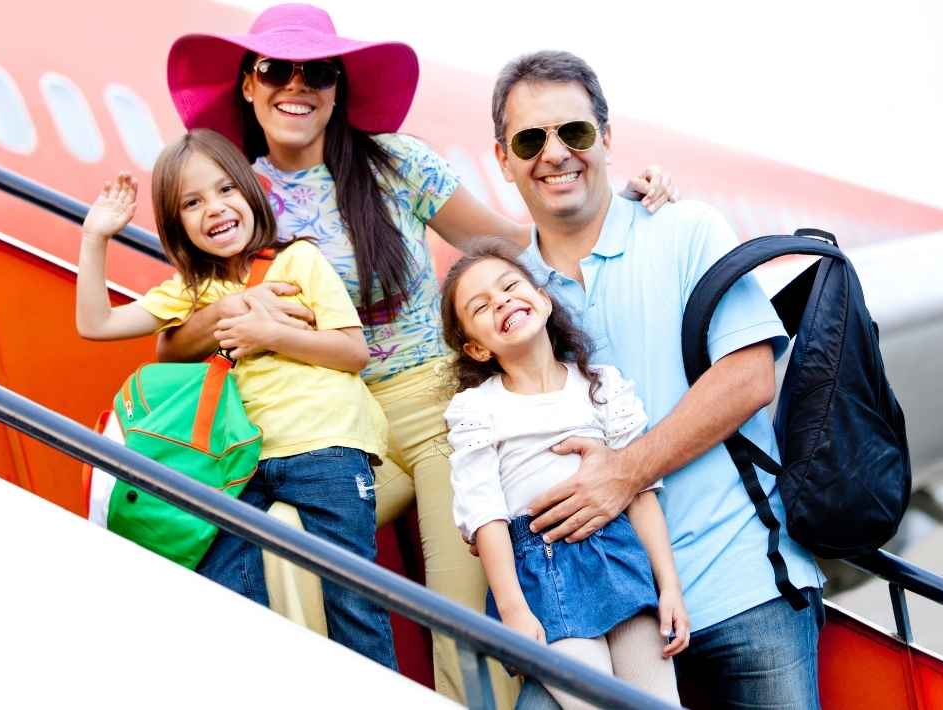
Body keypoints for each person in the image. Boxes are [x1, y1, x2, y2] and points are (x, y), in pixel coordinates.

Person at [161, 5, 676, 704]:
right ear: (247, 86)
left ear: (338, 87)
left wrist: (622, 207)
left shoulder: (396, 164)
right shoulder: (235, 195)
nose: (296, 85)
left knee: (462, 615)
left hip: (435, 410)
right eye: (275, 69)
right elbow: (176, 334)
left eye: (316, 71)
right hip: (332, 431)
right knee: (286, 551)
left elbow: (511, 243)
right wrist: (226, 312)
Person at [488, 51, 826, 709]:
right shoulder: (514, 291)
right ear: (503, 159)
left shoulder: (685, 229)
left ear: (607, 139)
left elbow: (750, 377)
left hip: (740, 586)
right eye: (531, 140)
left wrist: (623, 472)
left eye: (574, 133)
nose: (555, 153)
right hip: (604, 622)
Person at [74, 128, 396, 670]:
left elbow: (351, 351)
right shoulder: (189, 292)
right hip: (243, 461)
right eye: (192, 203)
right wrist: (95, 238)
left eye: (226, 190)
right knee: (225, 582)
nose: (215, 209)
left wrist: (267, 336)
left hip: (326, 448)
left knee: (353, 600)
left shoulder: (298, 262)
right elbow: (95, 323)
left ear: (250, 192)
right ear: (178, 225)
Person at [440, 239, 687, 710]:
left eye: (510, 286)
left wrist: (669, 586)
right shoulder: (478, 409)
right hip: (541, 571)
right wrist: (513, 609)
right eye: (482, 306)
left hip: (618, 556)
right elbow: (485, 518)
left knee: (659, 703)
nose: (503, 301)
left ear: (543, 298)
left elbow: (640, 492)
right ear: (476, 347)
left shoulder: (600, 386)